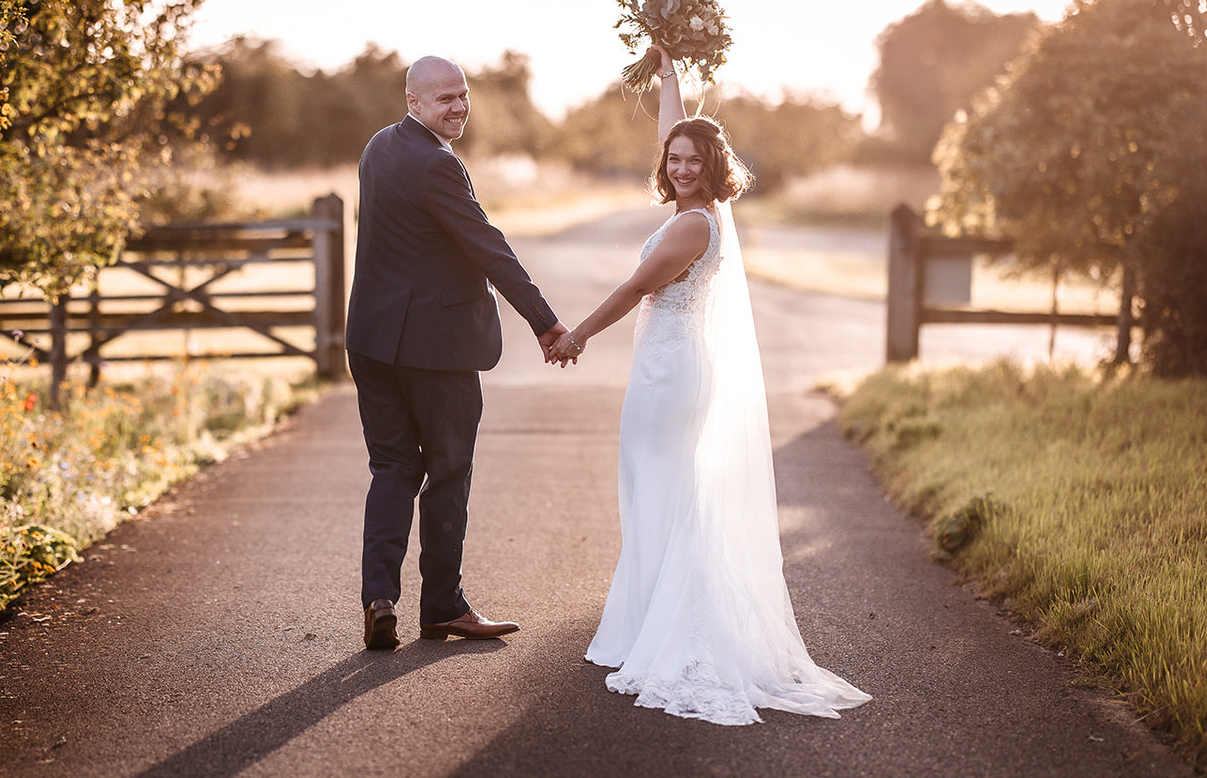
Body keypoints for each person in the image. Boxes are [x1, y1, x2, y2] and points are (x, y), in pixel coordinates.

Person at [549, 46, 871, 723]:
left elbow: (639, 286)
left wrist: (575, 333)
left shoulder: (695, 224)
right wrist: (668, 75)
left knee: (662, 488)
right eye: (674, 157)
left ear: (715, 167)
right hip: (665, 365)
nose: (681, 165)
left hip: (670, 375)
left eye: (694, 159)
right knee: (656, 489)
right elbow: (674, 130)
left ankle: (673, 630)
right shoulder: (697, 212)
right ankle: (647, 621)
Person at [346, 55, 570, 651]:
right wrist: (544, 322)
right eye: (444, 99)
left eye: (463, 96)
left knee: (392, 467)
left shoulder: (378, 148)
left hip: (371, 341)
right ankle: (443, 607)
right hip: (433, 350)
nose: (458, 107)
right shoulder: (437, 165)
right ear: (413, 101)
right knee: (447, 471)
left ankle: (380, 598)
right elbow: (487, 247)